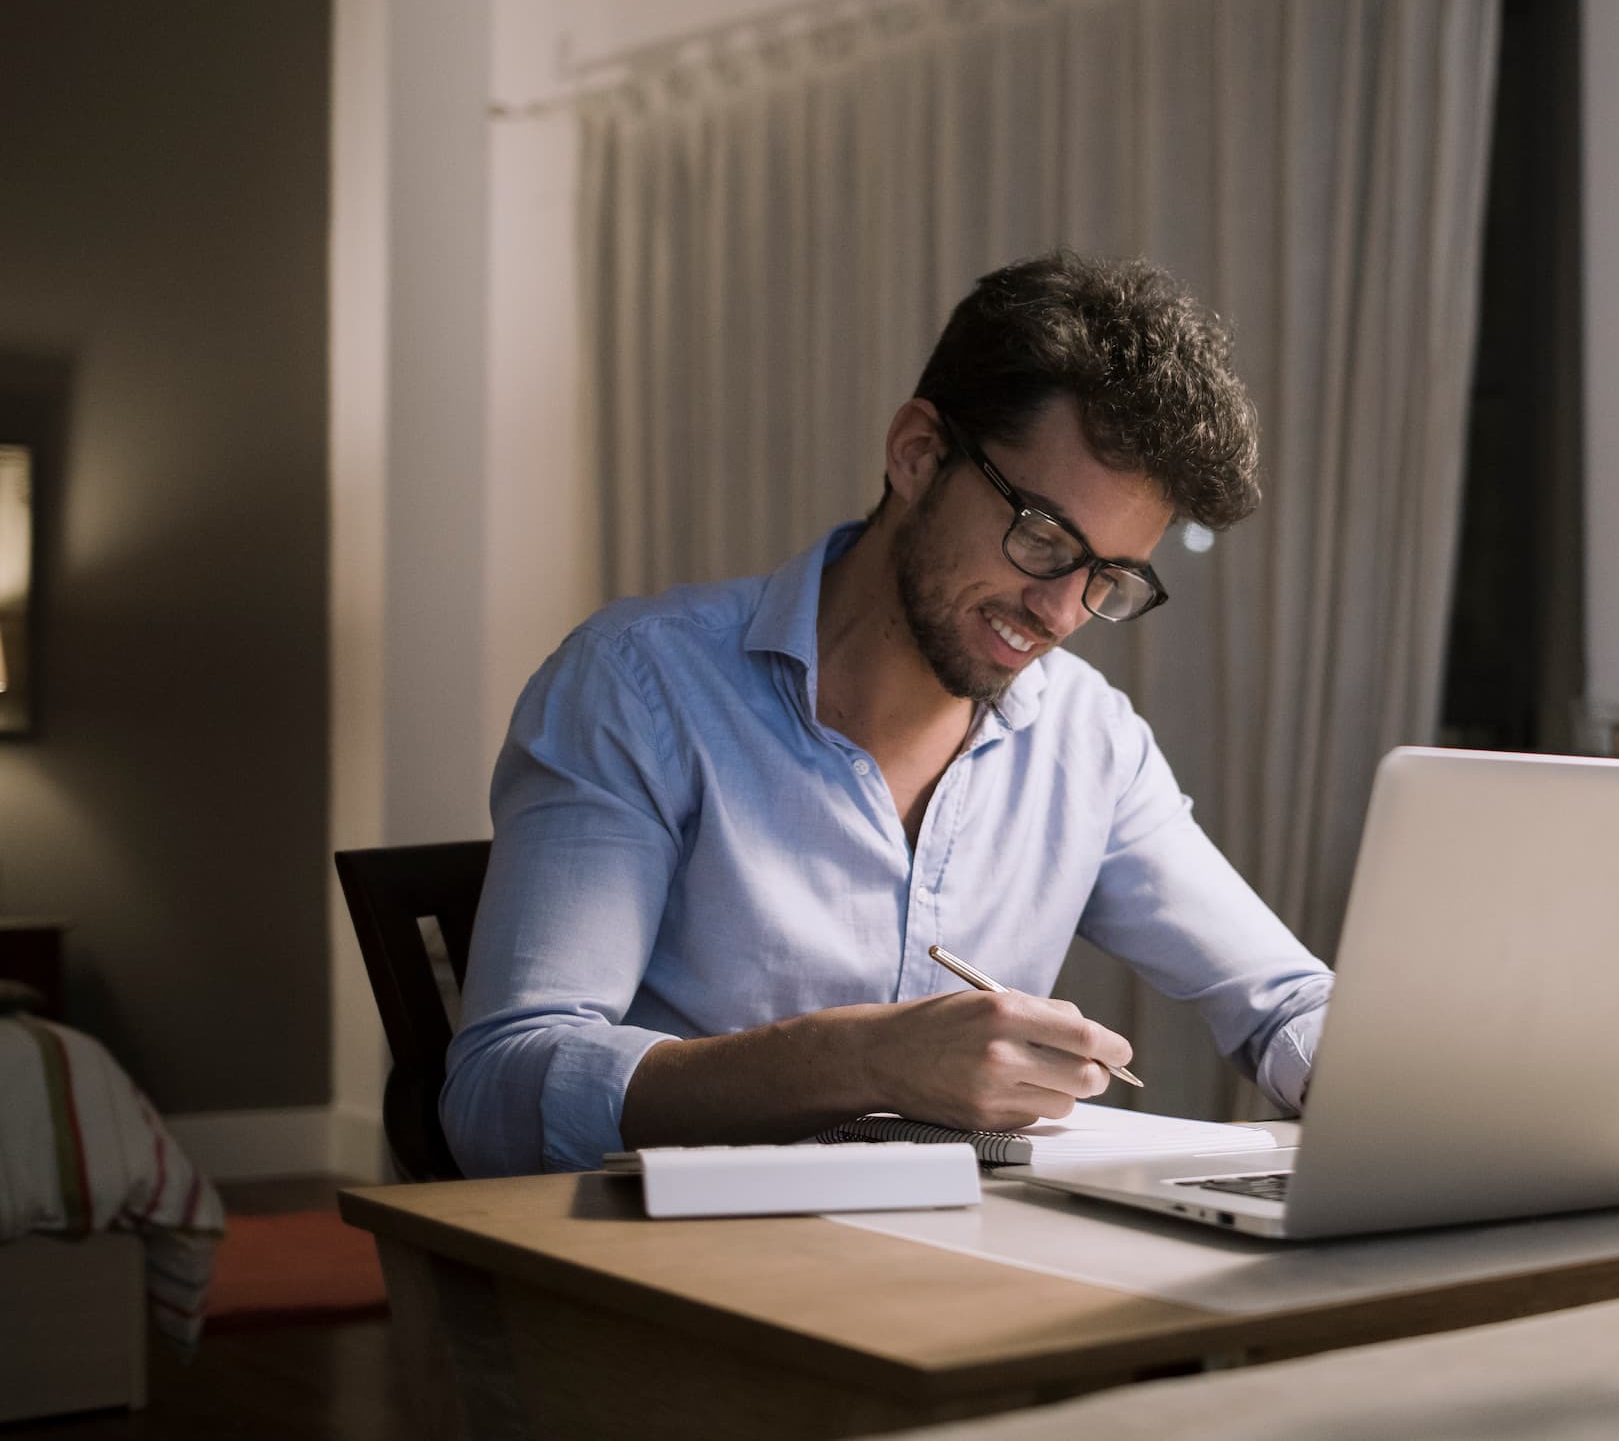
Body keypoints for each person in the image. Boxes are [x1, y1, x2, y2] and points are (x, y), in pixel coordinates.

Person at [442, 251, 1331, 1177]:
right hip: (677, 1282)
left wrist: (1389, 1072)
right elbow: (498, 1097)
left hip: (956, 1279)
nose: (1063, 614)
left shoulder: (1087, 741)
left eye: (1109, 577)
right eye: (1044, 540)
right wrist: (861, 1061)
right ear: (917, 453)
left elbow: (1283, 1000)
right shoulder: (639, 686)